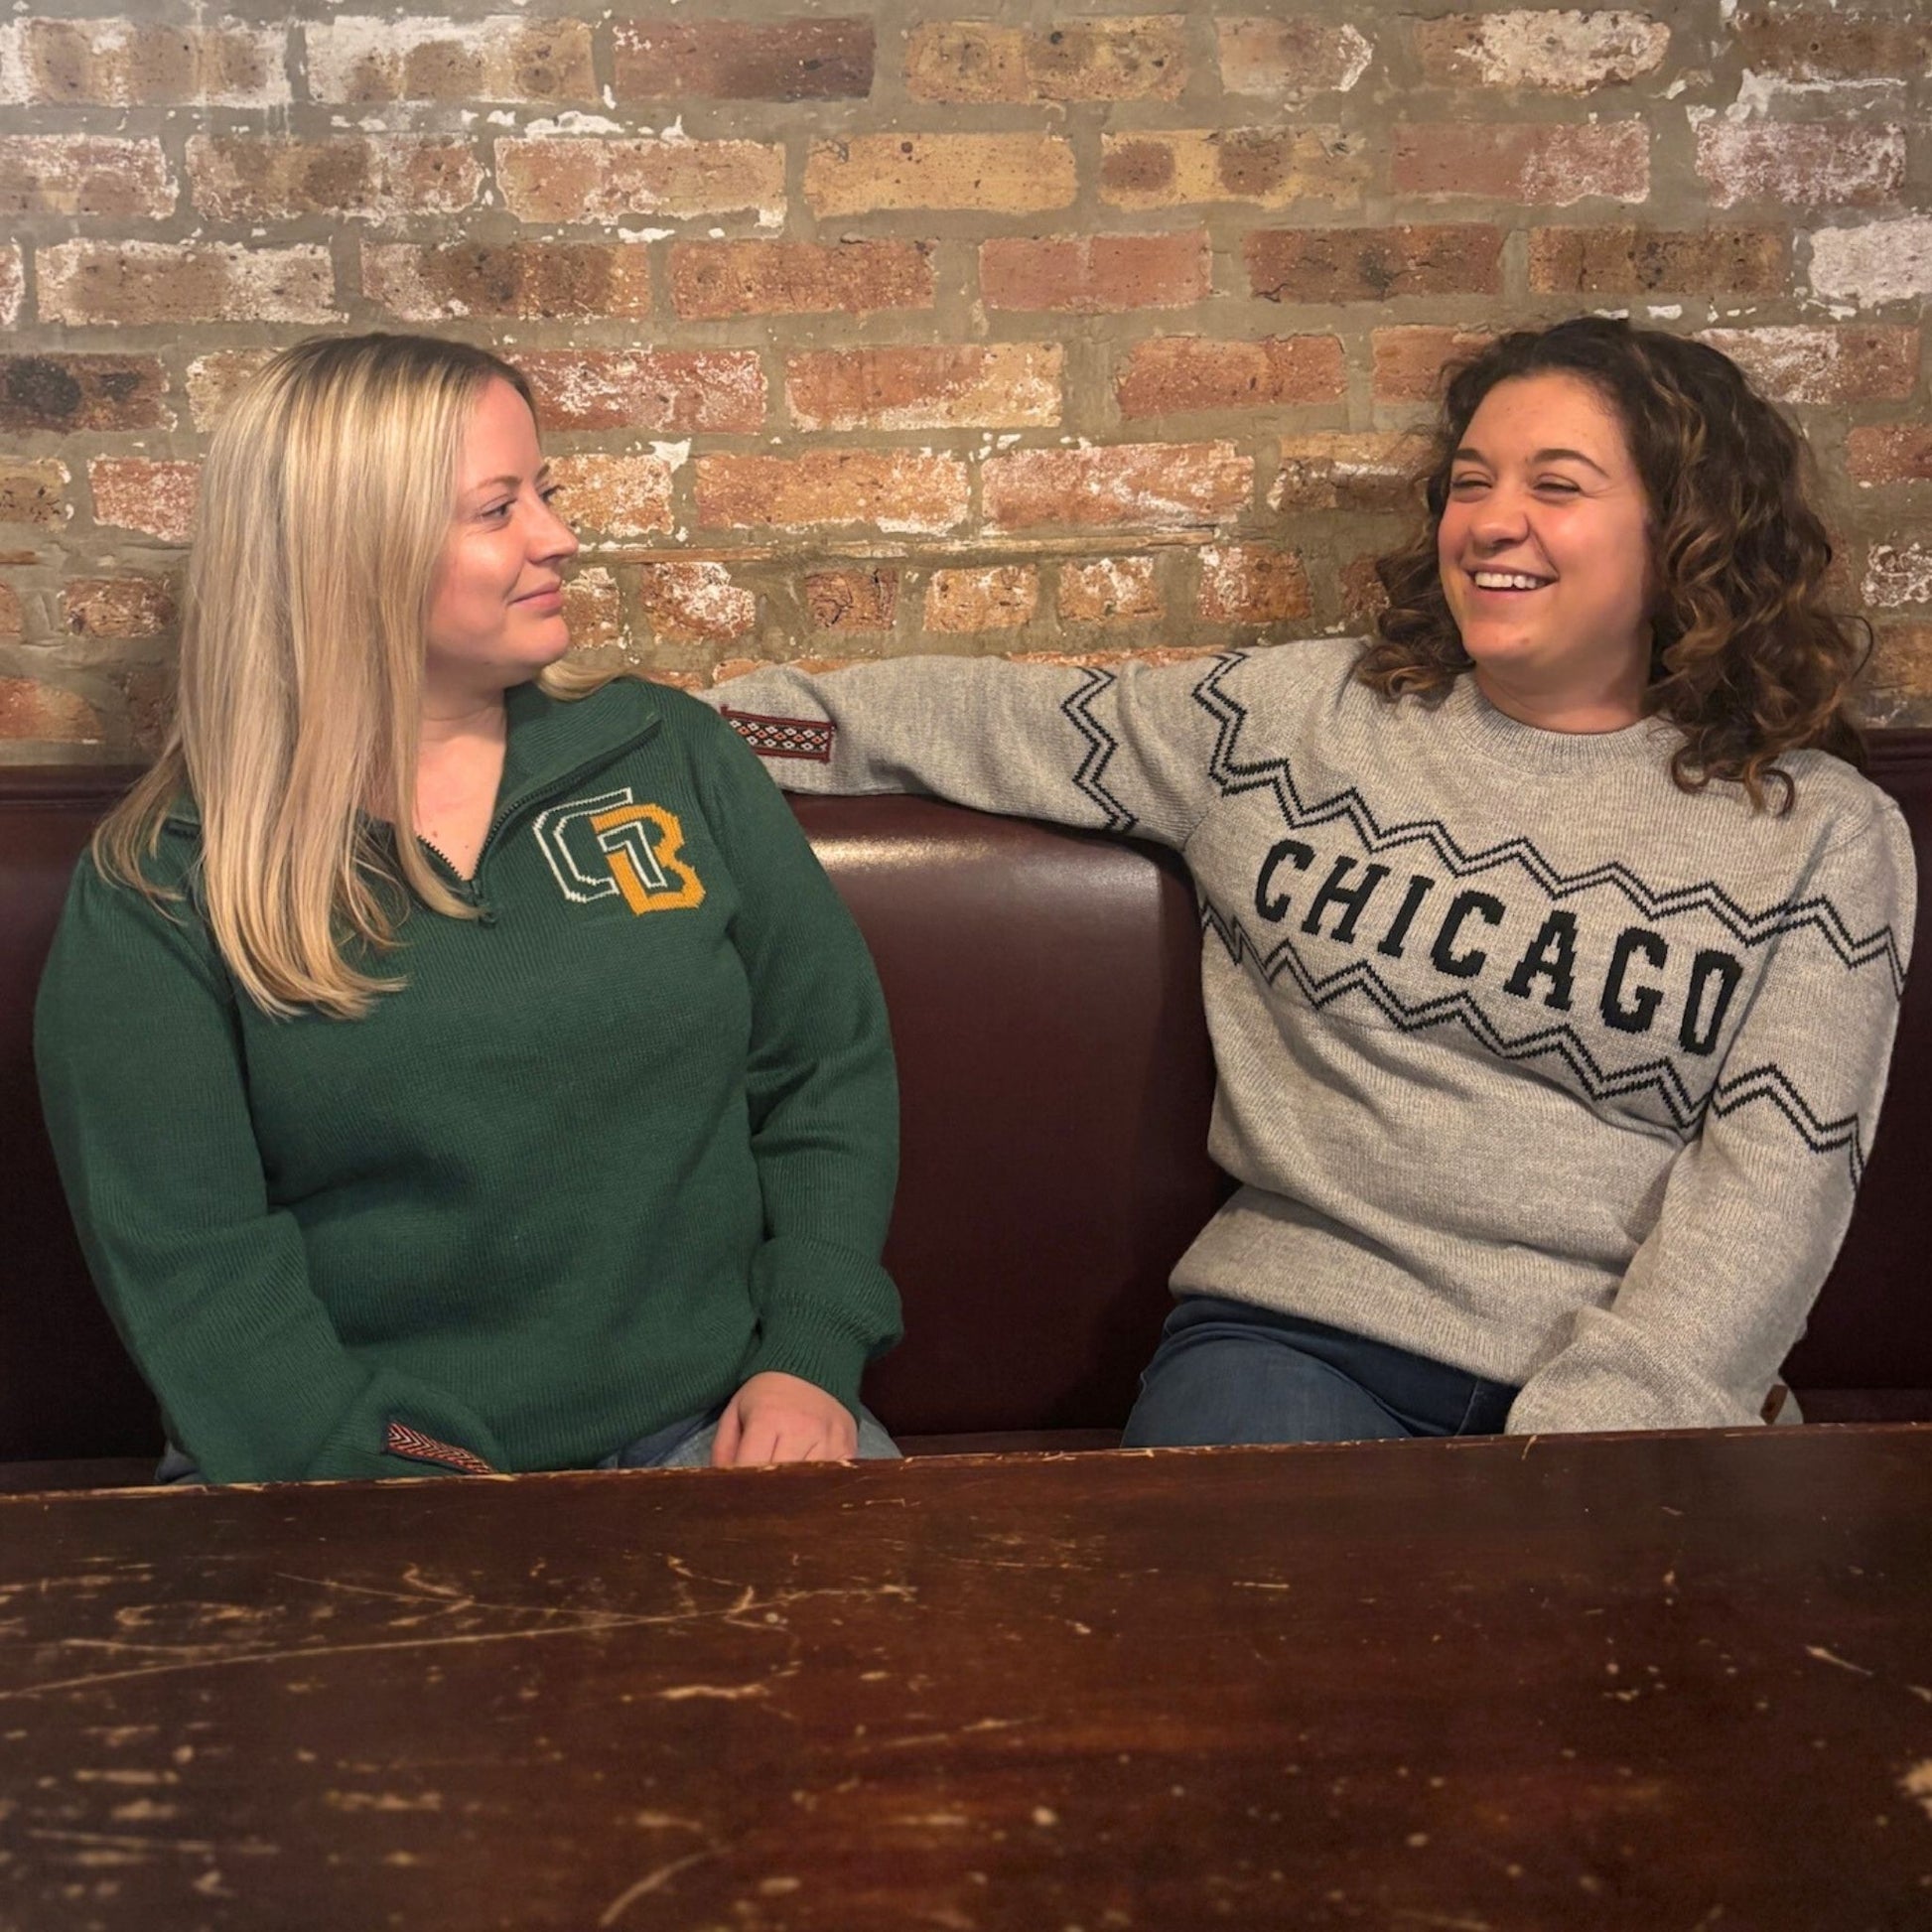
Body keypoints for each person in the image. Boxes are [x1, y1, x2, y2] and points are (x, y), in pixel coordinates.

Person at [699, 316, 1914, 1446]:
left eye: (1556, 486)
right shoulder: (1289, 724)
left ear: (1685, 530)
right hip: (1294, 1347)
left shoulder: (1816, 833)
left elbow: (1774, 1184)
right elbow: (967, 720)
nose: (1491, 521)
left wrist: (1583, 1449)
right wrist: (671, 740)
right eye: (1472, 482)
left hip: (1649, 1388)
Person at [35, 334, 902, 1484]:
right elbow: (193, 1270)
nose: (560, 537)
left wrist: (807, 1354)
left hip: (726, 1428)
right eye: (498, 509)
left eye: (542, 492)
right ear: (352, 554)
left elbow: (823, 1067)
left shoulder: (666, 753)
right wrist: (398, 1476)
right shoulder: (163, 882)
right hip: (341, 1468)